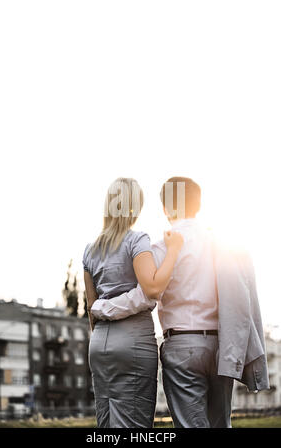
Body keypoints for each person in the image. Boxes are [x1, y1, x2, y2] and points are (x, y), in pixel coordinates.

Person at [91, 176, 269, 428]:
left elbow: (146, 295)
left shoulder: (162, 247)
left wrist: (101, 307)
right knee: (221, 423)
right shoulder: (225, 244)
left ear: (165, 208)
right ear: (199, 205)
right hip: (222, 344)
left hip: (181, 345)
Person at [82, 177, 183, 428]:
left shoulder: (89, 250)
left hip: (99, 345)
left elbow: (91, 307)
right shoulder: (137, 241)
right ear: (134, 207)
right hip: (133, 342)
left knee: (106, 426)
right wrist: (172, 251)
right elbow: (152, 287)